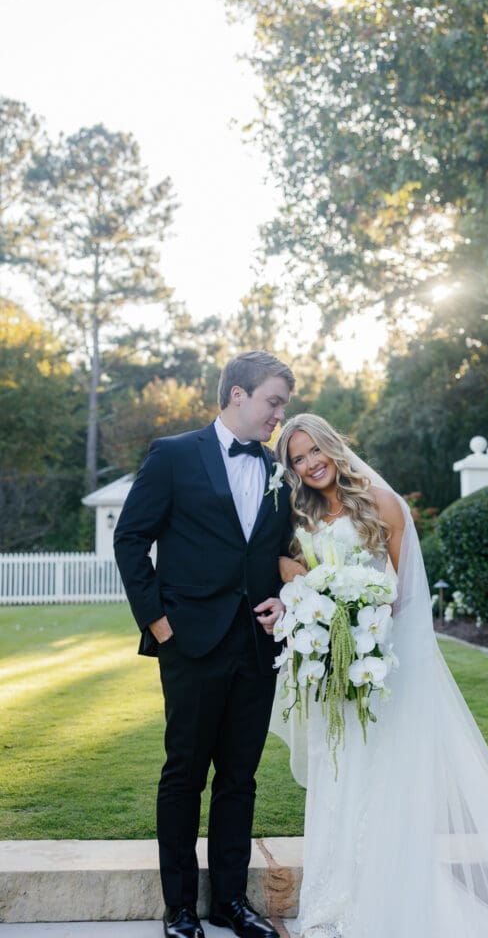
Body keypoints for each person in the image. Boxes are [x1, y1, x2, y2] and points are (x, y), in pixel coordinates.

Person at [272, 413, 488, 938]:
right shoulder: (301, 514)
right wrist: (303, 586)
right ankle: (335, 900)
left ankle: (383, 896)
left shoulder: (382, 504)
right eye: (297, 459)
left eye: (315, 451)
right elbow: (291, 567)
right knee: (337, 776)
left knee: (377, 781)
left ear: (333, 447)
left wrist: (364, 631)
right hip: (330, 669)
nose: (310, 464)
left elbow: (405, 593)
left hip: (374, 664)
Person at [114, 350, 295, 938]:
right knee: (184, 774)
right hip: (189, 642)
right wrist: (158, 625)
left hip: (256, 646)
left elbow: (287, 555)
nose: (279, 415)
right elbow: (131, 538)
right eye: (274, 401)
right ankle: (181, 908)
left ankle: (230, 904)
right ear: (238, 394)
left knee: (240, 778)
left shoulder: (279, 471)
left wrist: (291, 602)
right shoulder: (173, 454)